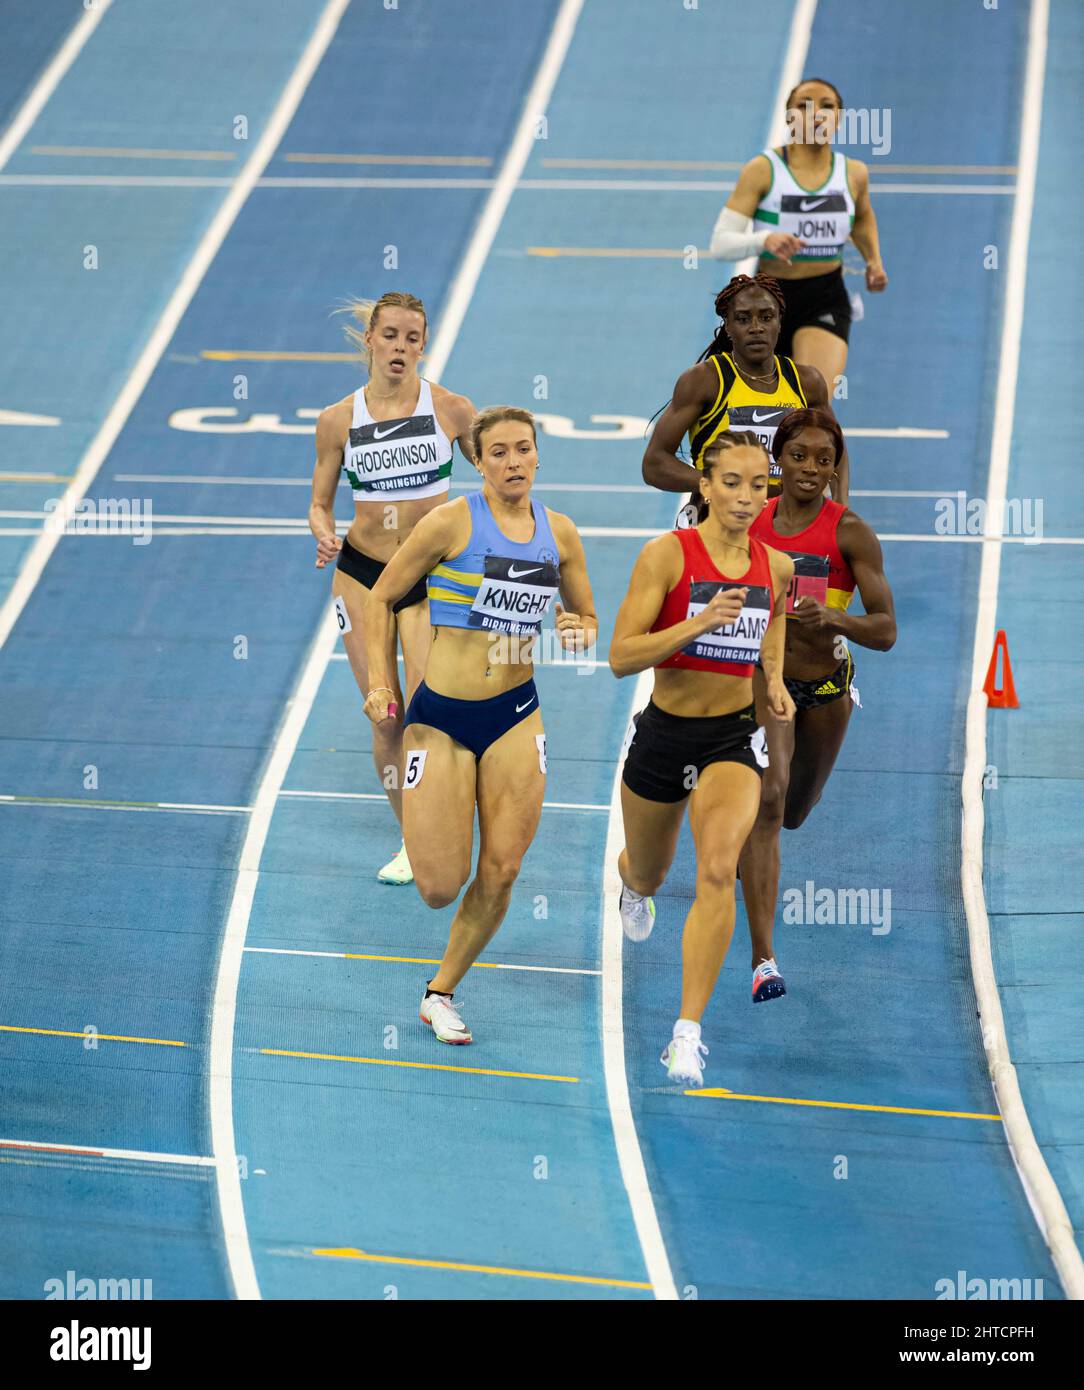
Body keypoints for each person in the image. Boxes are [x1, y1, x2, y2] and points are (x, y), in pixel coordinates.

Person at [361, 406, 597, 1045]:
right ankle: (432, 839)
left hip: (517, 716)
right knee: (439, 886)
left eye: (523, 449)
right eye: (498, 453)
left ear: (539, 456)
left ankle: (439, 992)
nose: (513, 462)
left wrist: (579, 628)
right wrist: (383, 684)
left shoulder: (562, 534)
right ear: (478, 460)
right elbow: (382, 597)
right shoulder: (450, 523)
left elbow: (584, 614)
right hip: (441, 716)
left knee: (503, 869)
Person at [610, 432, 794, 1087]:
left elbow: (772, 634)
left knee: (718, 869)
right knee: (653, 872)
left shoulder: (776, 568)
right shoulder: (665, 556)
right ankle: (631, 883)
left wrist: (771, 683)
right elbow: (621, 657)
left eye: (758, 484)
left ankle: (685, 1033)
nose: (747, 497)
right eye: (734, 483)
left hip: (730, 739)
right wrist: (697, 624)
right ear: (706, 488)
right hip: (664, 736)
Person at [309, 291, 476, 885]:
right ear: (370, 341)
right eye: (391, 336)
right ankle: (414, 839)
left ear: (423, 346)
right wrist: (324, 533)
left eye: (412, 338)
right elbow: (320, 505)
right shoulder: (337, 421)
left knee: (427, 717)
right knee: (385, 717)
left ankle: (442, 822)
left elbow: (497, 476)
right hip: (360, 577)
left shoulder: (451, 411)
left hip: (426, 578)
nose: (401, 347)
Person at [742, 408, 896, 1002]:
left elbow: (885, 631)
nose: (810, 468)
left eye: (824, 460)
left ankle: (754, 843)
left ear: (835, 469)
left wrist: (835, 616)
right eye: (799, 456)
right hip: (767, 678)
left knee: (798, 808)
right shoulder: (751, 522)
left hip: (828, 685)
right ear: (778, 459)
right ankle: (764, 960)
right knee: (771, 799)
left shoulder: (849, 531)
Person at [708, 76, 888, 394]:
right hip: (766, 301)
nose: (816, 114)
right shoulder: (763, 170)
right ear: (789, 117)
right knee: (756, 410)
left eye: (827, 106)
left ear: (840, 118)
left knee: (813, 403)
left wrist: (873, 260)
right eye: (804, 106)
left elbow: (862, 218)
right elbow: (720, 244)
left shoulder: (854, 173)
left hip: (825, 297)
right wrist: (764, 240)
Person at [642, 274, 849, 530]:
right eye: (742, 319)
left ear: (779, 322)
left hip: (784, 528)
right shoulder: (705, 380)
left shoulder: (806, 382)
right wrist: (719, 483)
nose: (756, 327)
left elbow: (834, 449)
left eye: (766, 317)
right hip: (715, 525)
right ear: (728, 326)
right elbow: (654, 464)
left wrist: (840, 510)